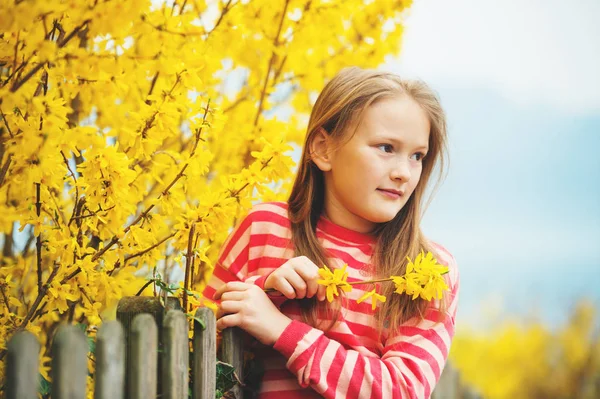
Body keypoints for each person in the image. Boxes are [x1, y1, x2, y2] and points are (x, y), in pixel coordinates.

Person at [202, 66, 460, 399]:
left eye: (417, 156)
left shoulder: (430, 271)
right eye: (385, 148)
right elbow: (200, 347)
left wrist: (282, 330)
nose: (403, 173)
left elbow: (403, 391)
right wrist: (266, 292)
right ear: (324, 149)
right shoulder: (264, 229)